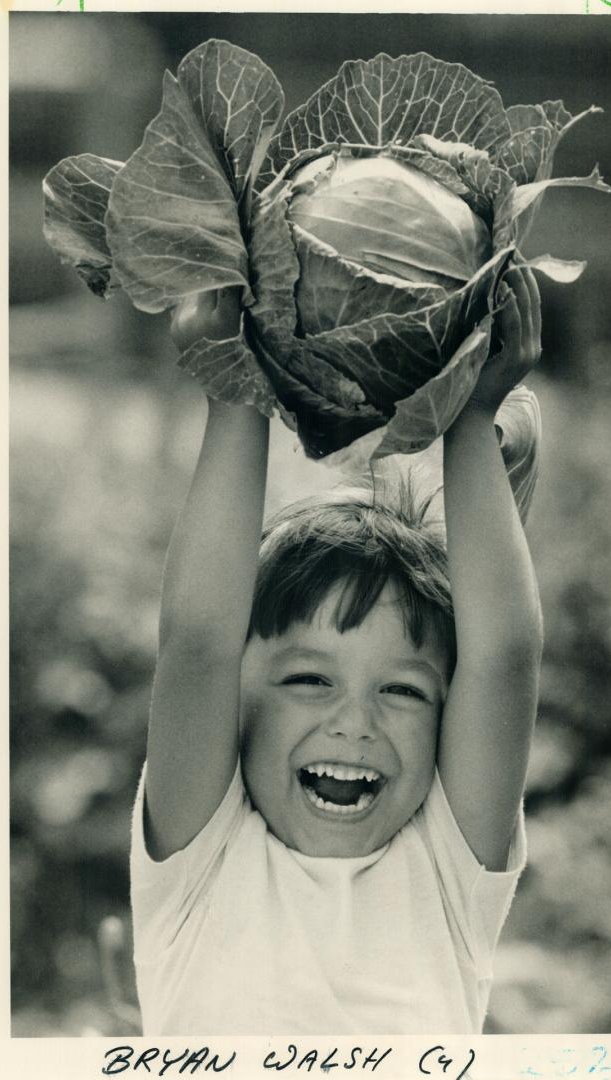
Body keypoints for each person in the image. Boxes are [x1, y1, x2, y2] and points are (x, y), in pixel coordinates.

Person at [130, 269, 544, 1035]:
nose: (356, 722)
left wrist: (472, 412)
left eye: (405, 691)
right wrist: (233, 388)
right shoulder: (200, 859)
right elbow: (198, 644)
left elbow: (505, 660)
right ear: (238, 699)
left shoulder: (449, 872)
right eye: (311, 678)